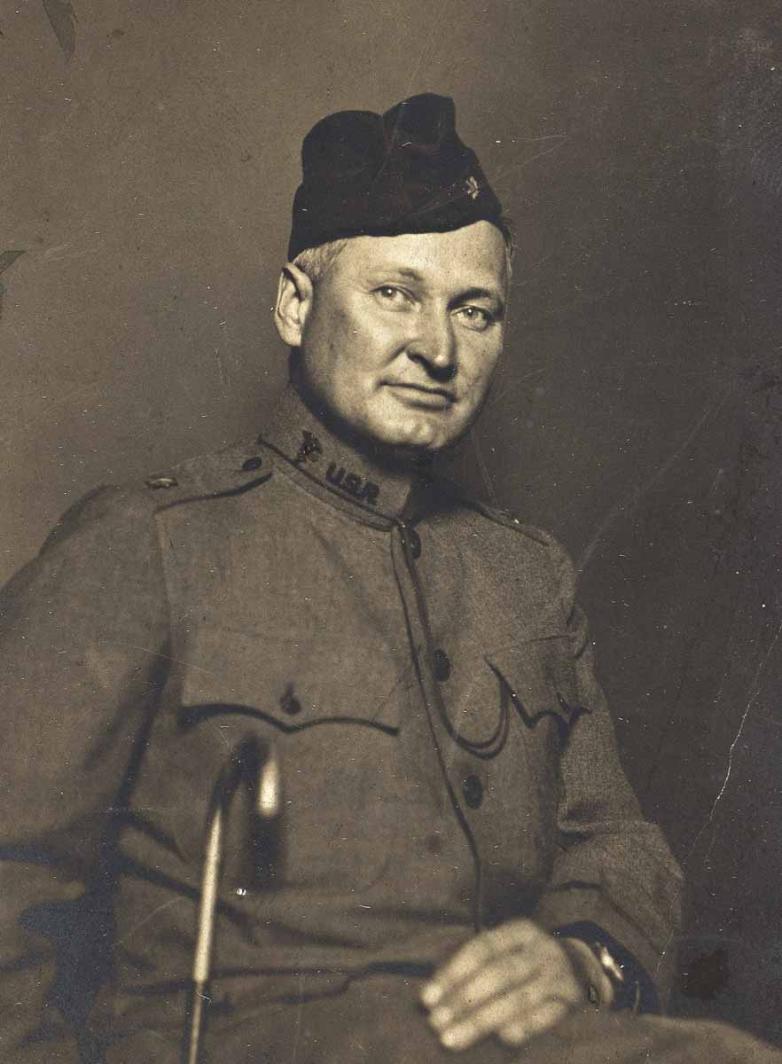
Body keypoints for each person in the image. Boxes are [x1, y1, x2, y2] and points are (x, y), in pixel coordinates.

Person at [0, 93, 689, 1064]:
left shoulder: (525, 576)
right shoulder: (147, 544)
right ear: (295, 304)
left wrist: (585, 958)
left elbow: (614, 841)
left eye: (474, 310)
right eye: (396, 293)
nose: (438, 349)